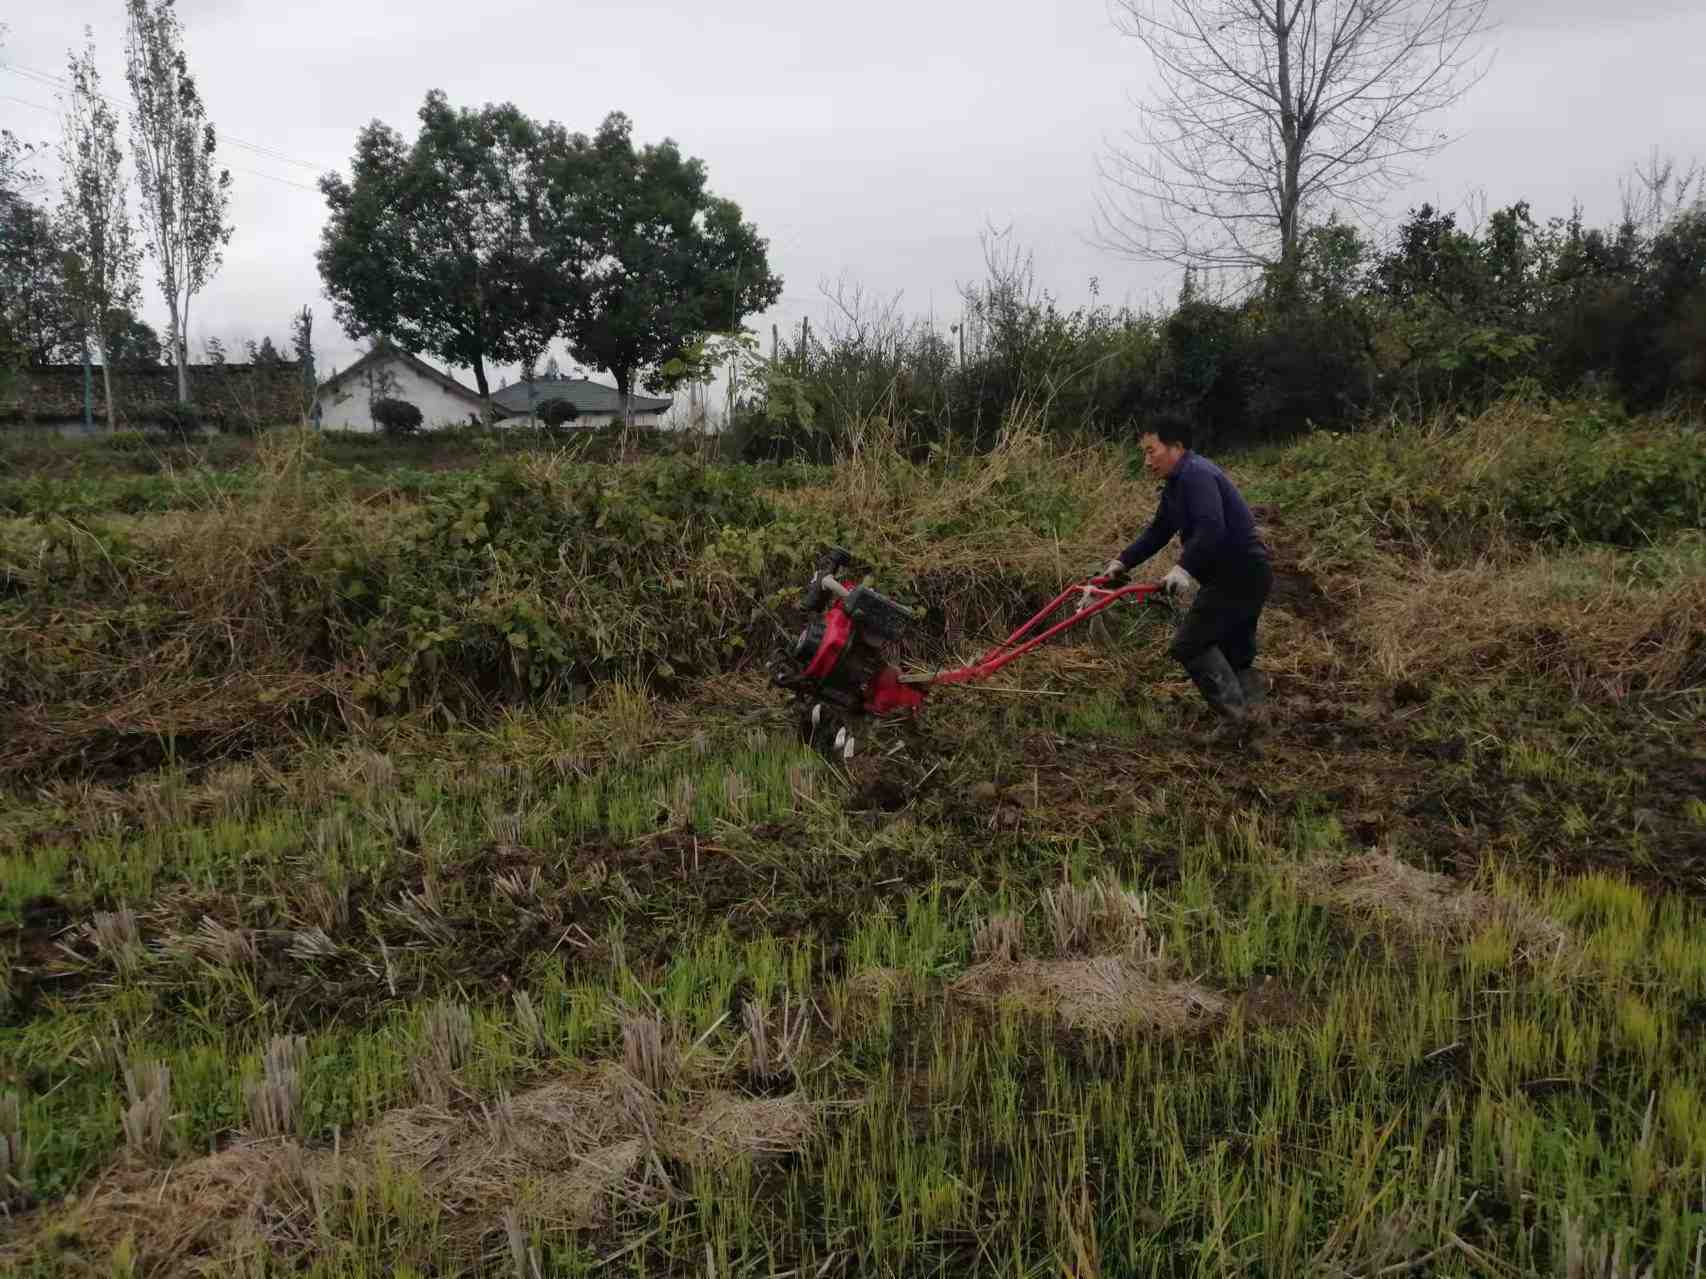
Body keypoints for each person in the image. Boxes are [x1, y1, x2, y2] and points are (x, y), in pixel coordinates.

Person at [1102, 415, 1273, 746]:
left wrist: (1183, 569)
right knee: (1234, 650)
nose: (1146, 461)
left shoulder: (1196, 475)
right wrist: (1122, 561)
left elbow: (1212, 527)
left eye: (1151, 451)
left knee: (1189, 644)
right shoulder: (1177, 484)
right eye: (1144, 453)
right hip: (1247, 574)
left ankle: (1236, 722)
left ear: (1176, 448)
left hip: (1237, 574)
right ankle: (1255, 721)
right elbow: (1159, 531)